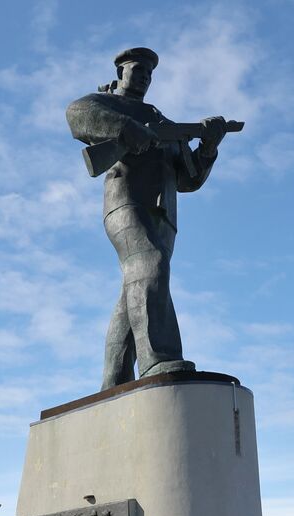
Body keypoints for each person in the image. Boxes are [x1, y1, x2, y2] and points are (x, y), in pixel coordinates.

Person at [65, 47, 231, 388]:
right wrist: (127, 127)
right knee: (150, 265)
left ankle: (114, 380)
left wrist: (209, 147)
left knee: (137, 286)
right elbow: (77, 114)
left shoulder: (161, 120)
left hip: (163, 215)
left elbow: (187, 180)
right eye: (137, 70)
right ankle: (159, 359)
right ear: (120, 73)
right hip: (127, 204)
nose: (143, 77)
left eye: (148, 74)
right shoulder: (109, 104)